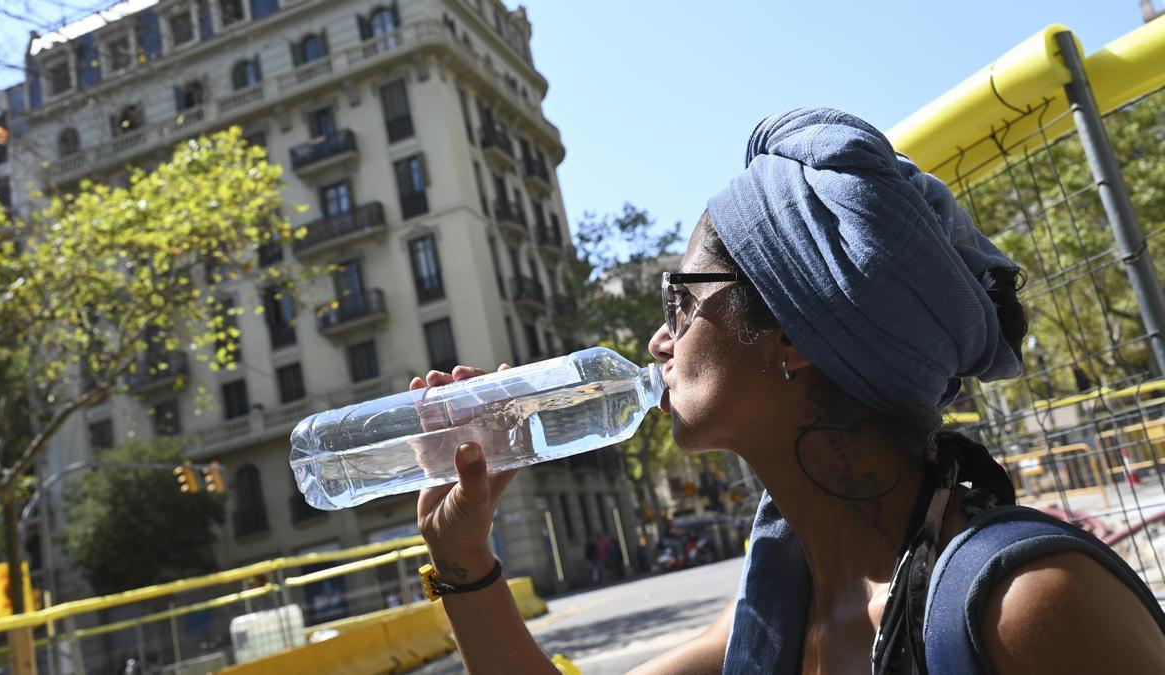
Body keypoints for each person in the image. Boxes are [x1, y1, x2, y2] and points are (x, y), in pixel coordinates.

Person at [409, 108, 1165, 673]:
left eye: (681, 299)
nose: (657, 341)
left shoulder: (1026, 608)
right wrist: (462, 554)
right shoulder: (776, 607)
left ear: (794, 334)